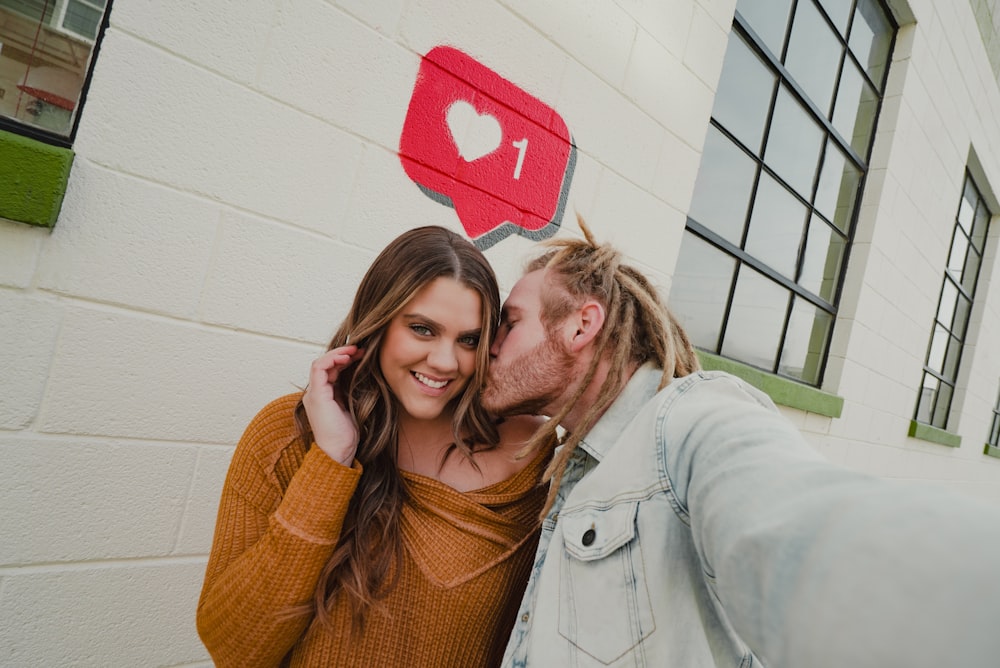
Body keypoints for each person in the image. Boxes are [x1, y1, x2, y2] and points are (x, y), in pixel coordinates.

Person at [483, 216, 1000, 668]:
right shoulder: (581, 458)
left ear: (581, 325)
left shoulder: (688, 422)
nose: (493, 345)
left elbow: (811, 536)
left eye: (511, 322)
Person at [196, 226, 554, 668]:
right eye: (423, 329)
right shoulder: (287, 435)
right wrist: (330, 463)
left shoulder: (526, 453)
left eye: (469, 340)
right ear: (378, 322)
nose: (445, 362)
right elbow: (234, 648)